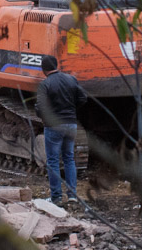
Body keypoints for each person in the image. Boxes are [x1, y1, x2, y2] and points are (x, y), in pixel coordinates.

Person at [35, 54, 86, 204]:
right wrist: (71, 110)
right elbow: (83, 98)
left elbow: (41, 107)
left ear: (43, 69)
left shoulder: (45, 84)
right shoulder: (71, 79)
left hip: (54, 126)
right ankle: (72, 195)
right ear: (56, 65)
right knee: (69, 158)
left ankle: (56, 197)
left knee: (52, 161)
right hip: (70, 124)